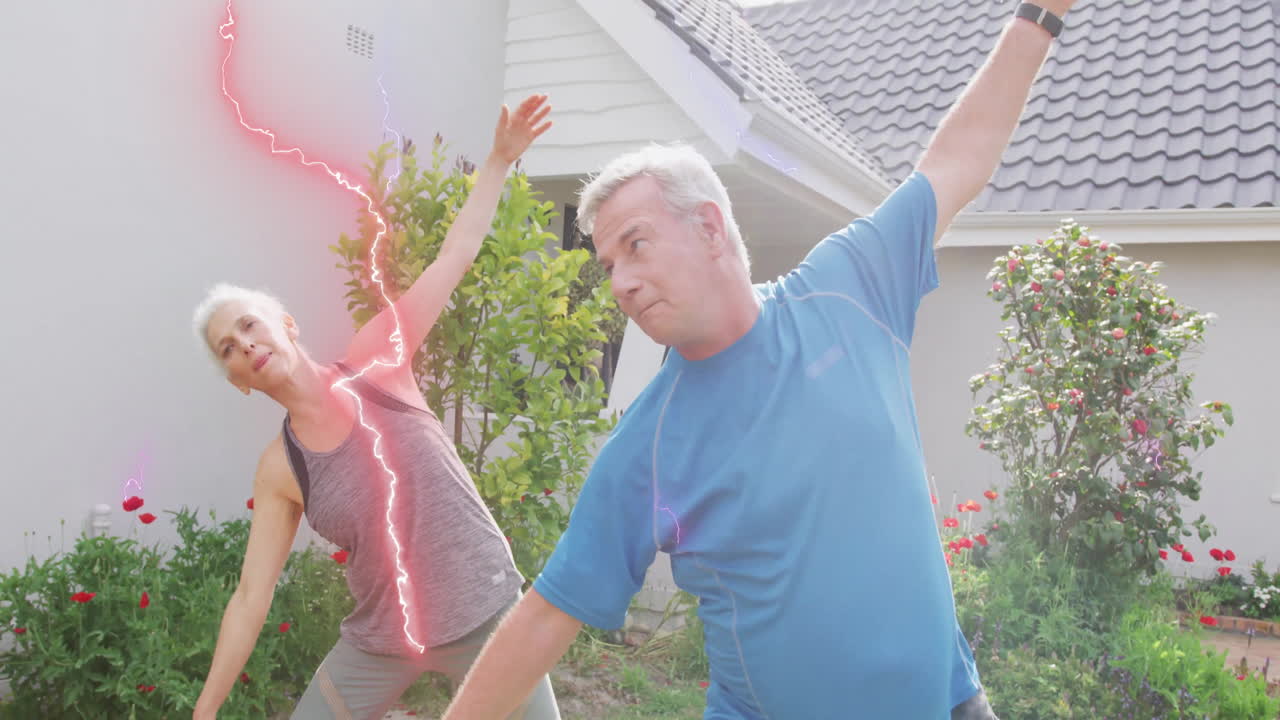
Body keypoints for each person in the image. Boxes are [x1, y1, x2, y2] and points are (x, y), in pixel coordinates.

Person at [442, 3, 1079, 718]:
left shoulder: (850, 284)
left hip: (951, 704)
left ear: (710, 228)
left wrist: (1041, 16)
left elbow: (957, 159)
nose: (619, 281)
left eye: (637, 244)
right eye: (609, 262)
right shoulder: (650, 443)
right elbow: (544, 616)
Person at [190, 95, 560, 720]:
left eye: (250, 325)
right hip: (383, 642)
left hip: (486, 614)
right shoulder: (282, 469)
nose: (245, 344)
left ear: (286, 324)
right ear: (236, 380)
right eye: (228, 347)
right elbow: (251, 597)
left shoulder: (377, 361)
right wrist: (204, 713)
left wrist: (498, 160)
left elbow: (454, 256)